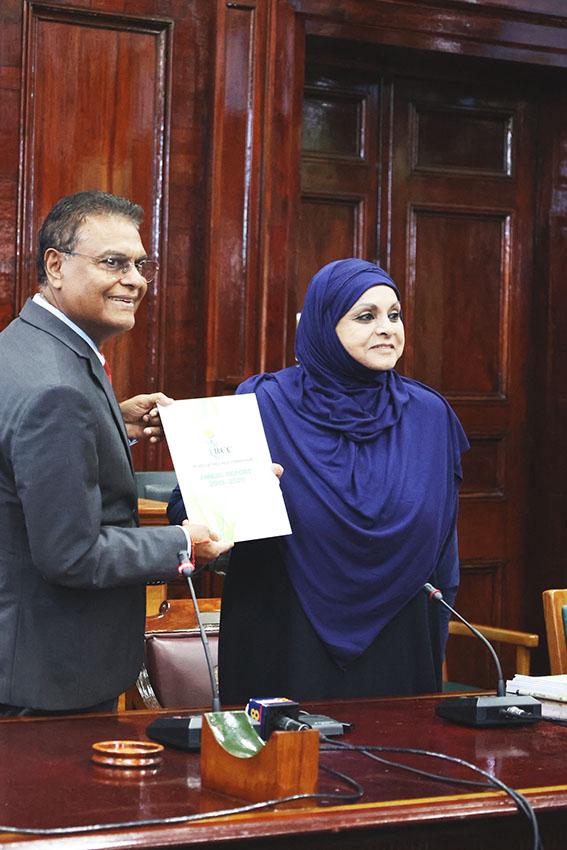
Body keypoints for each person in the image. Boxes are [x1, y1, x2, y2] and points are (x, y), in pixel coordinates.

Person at [168, 258, 469, 703]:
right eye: (366, 316)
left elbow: (445, 547)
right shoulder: (263, 402)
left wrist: (437, 630)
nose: (387, 328)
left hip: (399, 640)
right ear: (325, 325)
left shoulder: (429, 414)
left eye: (394, 314)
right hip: (285, 637)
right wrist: (237, 495)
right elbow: (187, 509)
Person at [0, 190, 231, 716]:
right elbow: (71, 555)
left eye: (140, 264)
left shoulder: (24, 346)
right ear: (55, 266)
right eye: (114, 262)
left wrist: (109, 422)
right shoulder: (57, 388)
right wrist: (182, 542)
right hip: (48, 682)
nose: (136, 279)